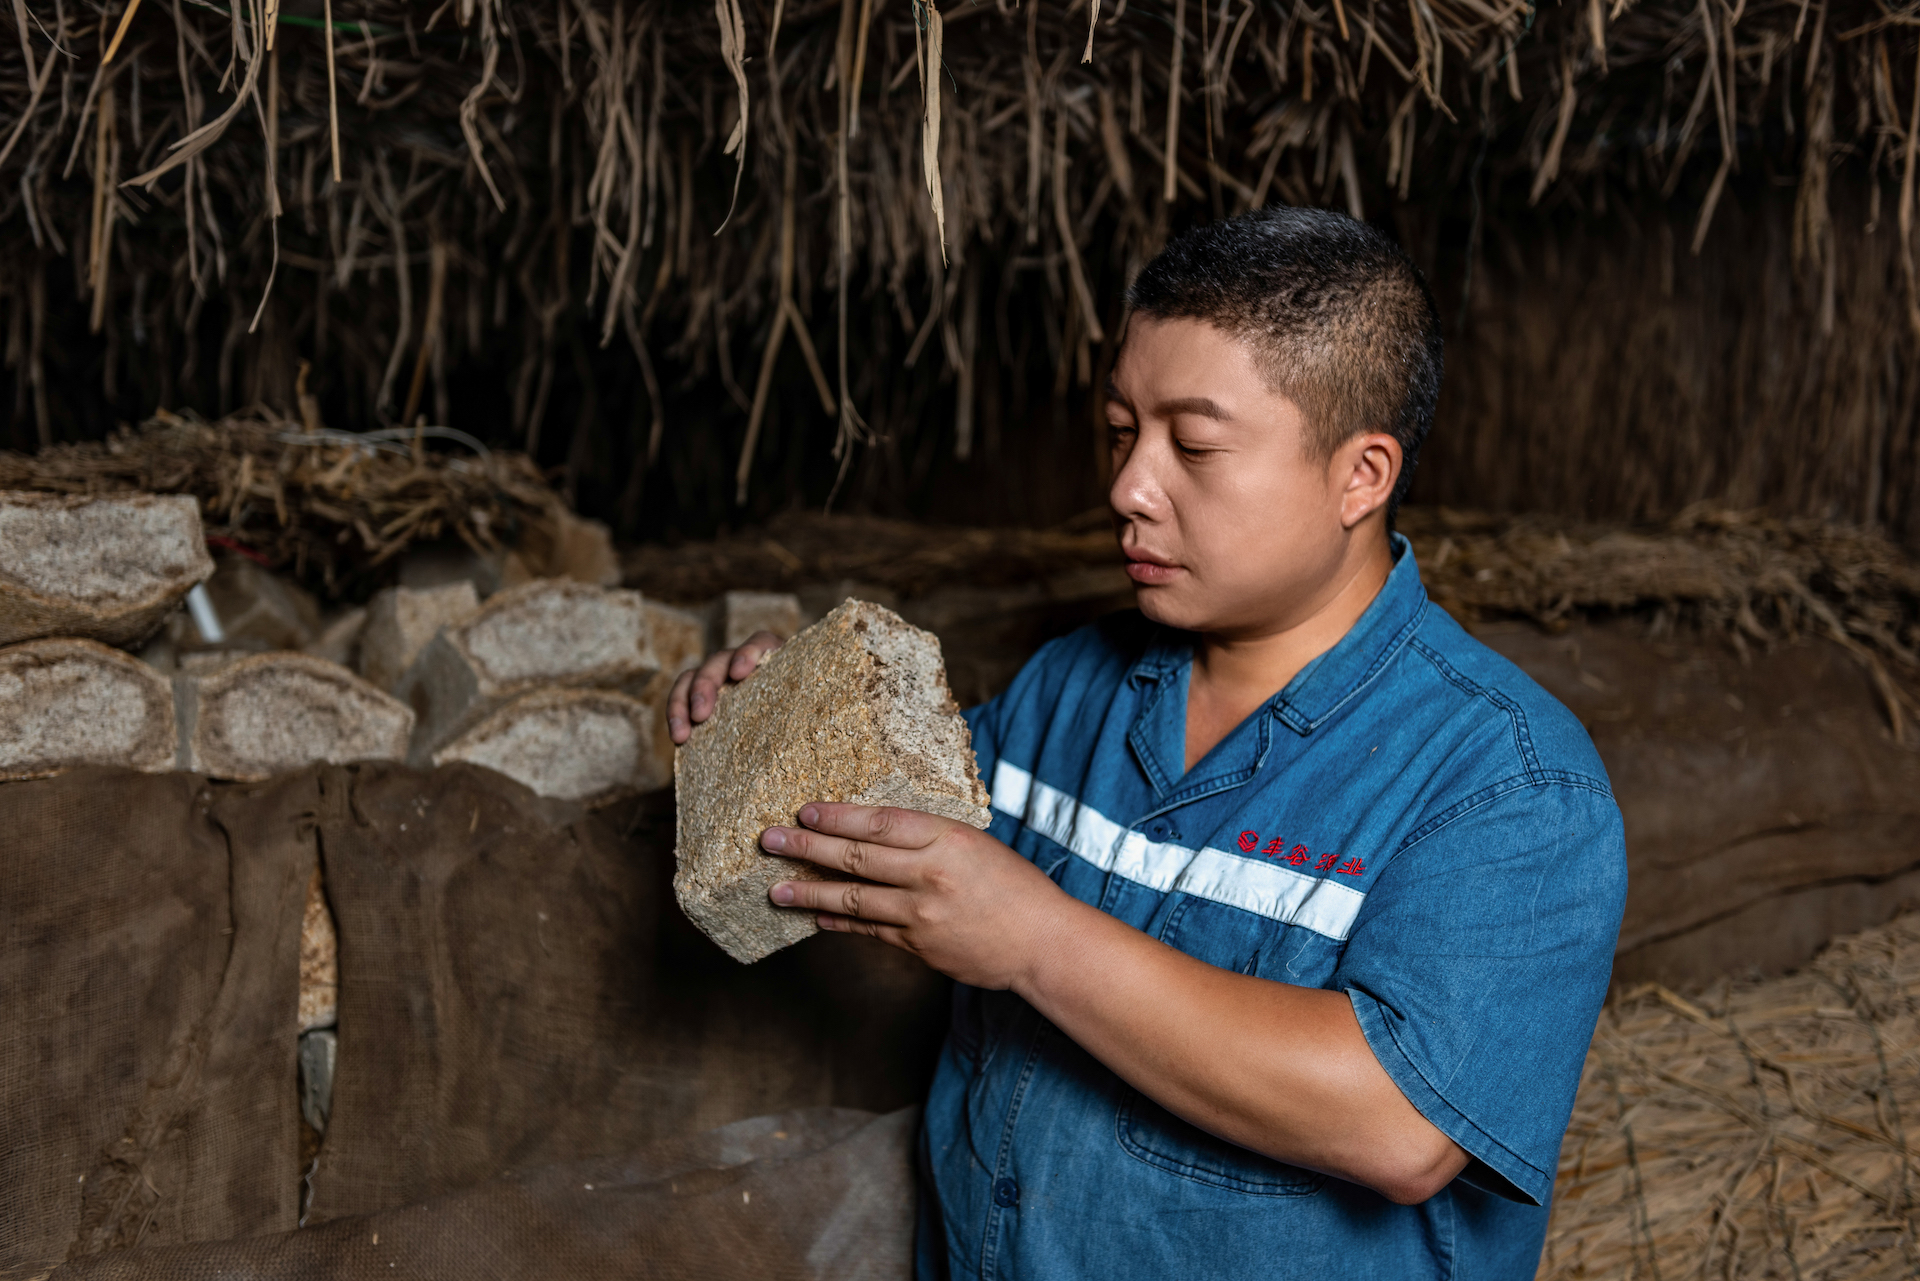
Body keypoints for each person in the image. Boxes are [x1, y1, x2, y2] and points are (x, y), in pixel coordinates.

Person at [668, 207, 1627, 1281]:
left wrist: (1032, 937)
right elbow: (892, 857)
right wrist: (777, 730)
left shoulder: (1508, 784)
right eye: (1122, 431)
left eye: (1196, 445)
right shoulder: (1064, 686)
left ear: (1361, 476)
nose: (1128, 488)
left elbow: (1399, 1126)